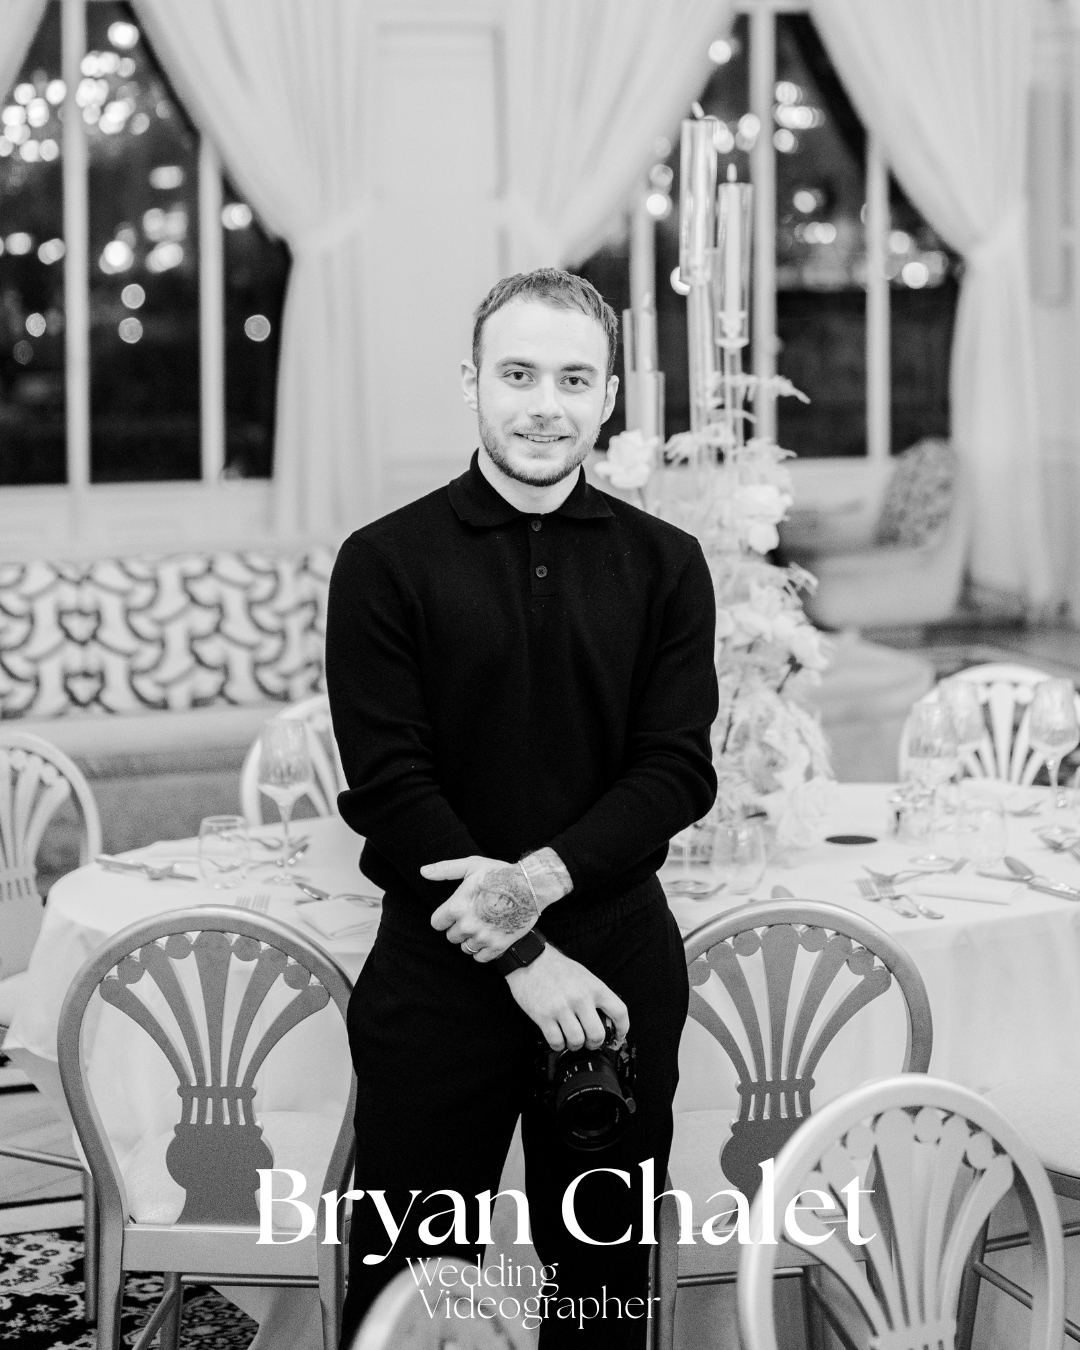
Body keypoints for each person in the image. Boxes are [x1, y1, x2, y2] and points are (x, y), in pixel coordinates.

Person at [327, 268, 718, 1348]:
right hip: (436, 979)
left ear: (609, 398)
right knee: (410, 1281)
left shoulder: (668, 565)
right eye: (518, 373)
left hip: (618, 977)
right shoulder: (383, 562)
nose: (545, 403)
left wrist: (533, 889)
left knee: (600, 1285)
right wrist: (522, 956)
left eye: (573, 378)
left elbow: (675, 771)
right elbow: (390, 790)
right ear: (472, 384)